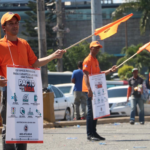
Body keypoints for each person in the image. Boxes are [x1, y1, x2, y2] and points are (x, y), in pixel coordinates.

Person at [0, 12, 66, 150]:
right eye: (10, 23)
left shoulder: (24, 43)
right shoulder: (0, 46)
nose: (15, 25)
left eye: (16, 23)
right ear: (3, 27)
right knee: (9, 128)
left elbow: (35, 63)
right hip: (9, 92)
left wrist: (53, 56)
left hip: (26, 92)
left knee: (24, 128)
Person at [82, 41, 117, 141]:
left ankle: (94, 132)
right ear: (91, 48)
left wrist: (110, 70)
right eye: (95, 47)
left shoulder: (95, 60)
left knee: (96, 111)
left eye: (98, 48)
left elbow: (100, 74)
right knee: (90, 112)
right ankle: (89, 134)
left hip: (96, 89)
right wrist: (89, 89)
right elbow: (85, 75)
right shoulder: (87, 60)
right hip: (89, 89)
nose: (97, 49)